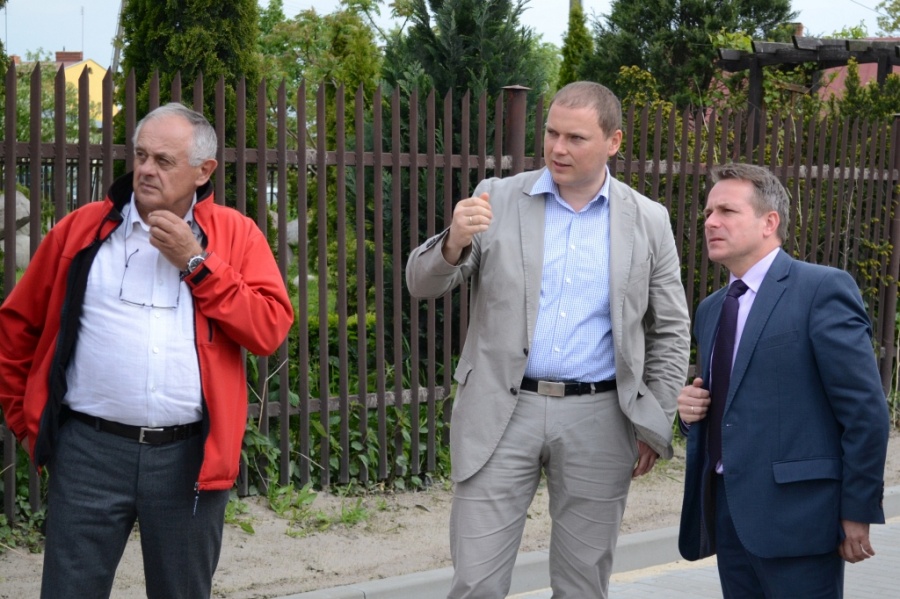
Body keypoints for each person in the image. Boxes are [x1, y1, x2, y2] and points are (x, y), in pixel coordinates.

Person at [406, 81, 691, 598]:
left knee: (583, 585)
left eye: (576, 138)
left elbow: (671, 329)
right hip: (500, 411)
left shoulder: (649, 219)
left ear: (614, 142)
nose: (558, 148)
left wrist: (655, 420)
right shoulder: (497, 197)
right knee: (475, 583)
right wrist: (453, 241)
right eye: (552, 133)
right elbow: (421, 285)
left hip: (600, 417)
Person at [0, 102, 294, 599]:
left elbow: (268, 329)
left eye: (163, 160)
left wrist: (197, 263)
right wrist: (29, 425)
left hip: (188, 459)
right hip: (88, 453)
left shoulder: (236, 235)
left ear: (204, 171)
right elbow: (16, 326)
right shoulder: (81, 230)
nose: (146, 169)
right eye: (140, 156)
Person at [677, 162, 889, 597]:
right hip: (729, 514)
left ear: (769, 222)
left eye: (727, 211)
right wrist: (689, 413)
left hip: (801, 518)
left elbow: (865, 412)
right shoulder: (712, 309)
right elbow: (731, 405)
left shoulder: (821, 290)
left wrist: (857, 509)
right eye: (708, 212)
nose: (711, 222)